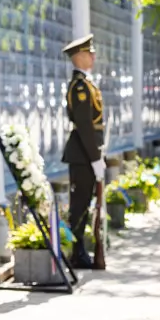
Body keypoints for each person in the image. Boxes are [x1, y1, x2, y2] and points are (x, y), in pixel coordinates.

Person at [60, 35, 104, 270]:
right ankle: (77, 252)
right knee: (79, 205)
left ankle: (80, 250)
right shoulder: (79, 87)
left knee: (85, 204)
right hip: (82, 154)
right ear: (79, 56)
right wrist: (95, 158)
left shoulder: (87, 84)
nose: (93, 56)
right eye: (89, 53)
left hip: (87, 152)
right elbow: (85, 125)